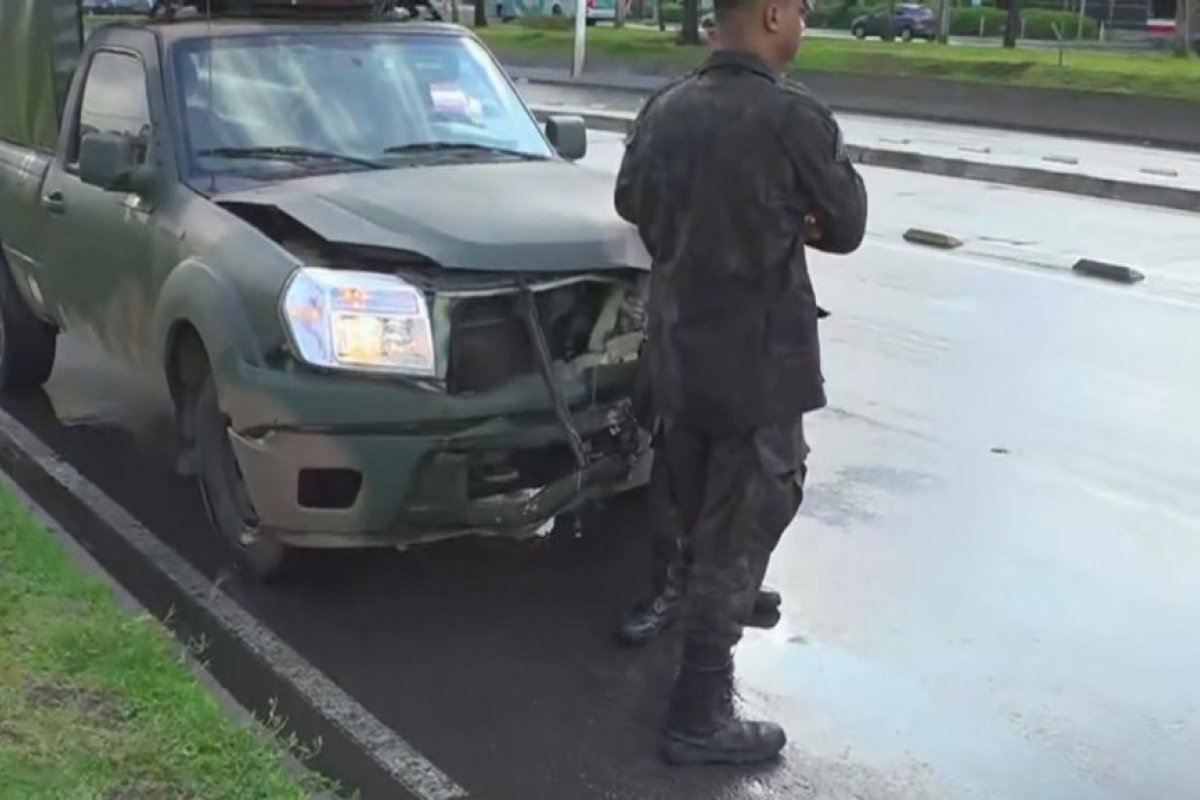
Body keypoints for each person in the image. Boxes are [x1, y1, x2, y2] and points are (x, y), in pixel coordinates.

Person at [612, 0, 867, 766]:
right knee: (748, 513)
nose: (804, 21)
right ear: (768, 15)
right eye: (799, 9)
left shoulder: (665, 109)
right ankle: (699, 709)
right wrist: (797, 220)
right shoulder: (795, 119)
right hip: (760, 365)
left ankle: (705, 599)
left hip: (680, 349)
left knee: (694, 501)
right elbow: (847, 224)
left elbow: (632, 203)